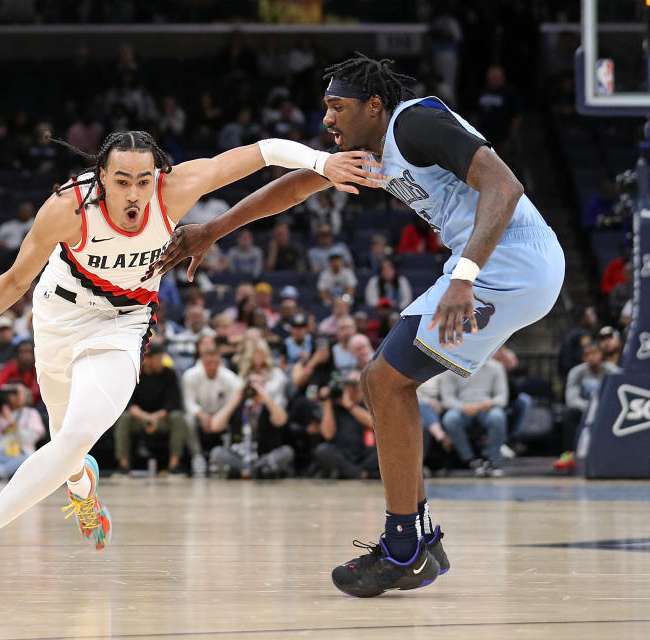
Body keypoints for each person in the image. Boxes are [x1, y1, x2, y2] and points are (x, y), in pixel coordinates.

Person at [148, 53, 564, 596]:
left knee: (387, 381)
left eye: (336, 106)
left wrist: (465, 276)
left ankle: (403, 547)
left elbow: (504, 187)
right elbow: (298, 185)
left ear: (374, 105)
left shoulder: (414, 121)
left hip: (509, 263)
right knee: (383, 380)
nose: (326, 120)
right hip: (493, 264)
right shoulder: (371, 150)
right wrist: (215, 229)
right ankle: (417, 539)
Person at [0, 129, 375, 581]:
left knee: (75, 436)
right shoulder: (67, 206)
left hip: (124, 324)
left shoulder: (177, 189)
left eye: (143, 180)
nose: (135, 193)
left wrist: (322, 161)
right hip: (57, 316)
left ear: (156, 176)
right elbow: (14, 281)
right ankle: (83, 491)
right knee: (66, 444)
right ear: (102, 177)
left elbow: (263, 151)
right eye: (122, 181)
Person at [111, 342, 188, 474]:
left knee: (177, 417)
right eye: (158, 359)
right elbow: (129, 404)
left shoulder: (169, 374)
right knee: (123, 418)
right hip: (140, 418)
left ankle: (174, 465)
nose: (161, 362)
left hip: (161, 418)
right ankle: (123, 465)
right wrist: (146, 417)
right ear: (147, 359)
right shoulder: (134, 374)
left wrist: (155, 417)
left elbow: (173, 403)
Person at [439, 356, 508, 477]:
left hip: (487, 408)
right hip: (462, 408)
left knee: (498, 416)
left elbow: (502, 397)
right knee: (450, 419)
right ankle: (472, 461)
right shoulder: (451, 367)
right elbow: (447, 399)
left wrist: (490, 403)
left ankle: (494, 461)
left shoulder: (496, 367)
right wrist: (463, 406)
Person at [181, 340, 242, 475]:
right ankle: (196, 457)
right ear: (202, 361)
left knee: (236, 416)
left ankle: (227, 456)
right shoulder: (190, 376)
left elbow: (231, 404)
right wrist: (203, 416)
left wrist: (218, 418)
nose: (212, 366)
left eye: (215, 363)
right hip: (200, 415)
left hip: (222, 415)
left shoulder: (230, 378)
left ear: (219, 361)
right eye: (208, 363)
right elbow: (189, 403)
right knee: (187, 420)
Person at [555, 341, 618, 471]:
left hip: (606, 411)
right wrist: (590, 409)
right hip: (583, 410)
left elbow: (617, 398)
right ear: (583, 358)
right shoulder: (576, 372)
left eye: (594, 353)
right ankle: (568, 454)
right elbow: (572, 399)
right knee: (570, 414)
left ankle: (616, 455)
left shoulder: (613, 372)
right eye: (587, 354)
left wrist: (601, 409)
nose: (591, 357)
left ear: (601, 355)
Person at [313, 370, 378, 479]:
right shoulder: (335, 406)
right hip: (342, 453)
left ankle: (350, 473)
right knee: (323, 450)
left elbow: (373, 424)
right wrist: (328, 403)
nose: (356, 388)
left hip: (364, 454)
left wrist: (350, 406)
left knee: (384, 451)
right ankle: (361, 474)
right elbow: (328, 435)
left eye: (358, 384)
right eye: (352, 385)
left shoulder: (368, 403)